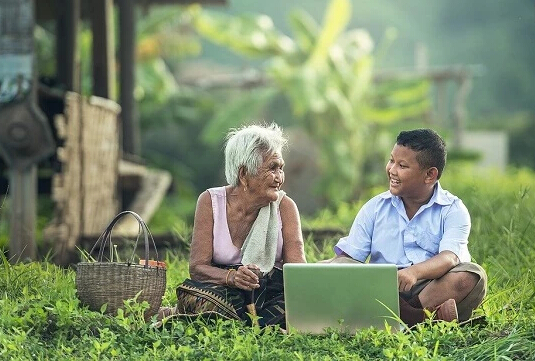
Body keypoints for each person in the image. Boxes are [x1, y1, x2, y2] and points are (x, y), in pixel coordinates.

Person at [331, 128, 487, 326]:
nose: (392, 170)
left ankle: (391, 317)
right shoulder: (375, 207)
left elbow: (450, 257)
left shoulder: (452, 209)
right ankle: (420, 319)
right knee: (342, 265)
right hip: (383, 287)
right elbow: (349, 257)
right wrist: (320, 269)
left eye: (402, 165)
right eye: (391, 161)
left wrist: (414, 273)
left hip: (430, 287)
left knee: (471, 276)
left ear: (430, 175)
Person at [165, 123, 306, 328]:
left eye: (281, 168)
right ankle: (259, 326)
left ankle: (242, 325)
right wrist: (232, 277)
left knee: (297, 305)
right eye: (272, 168)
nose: (279, 178)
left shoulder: (285, 207)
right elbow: (197, 268)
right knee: (201, 299)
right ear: (243, 173)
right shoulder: (210, 201)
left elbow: (298, 275)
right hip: (224, 293)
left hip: (270, 294)